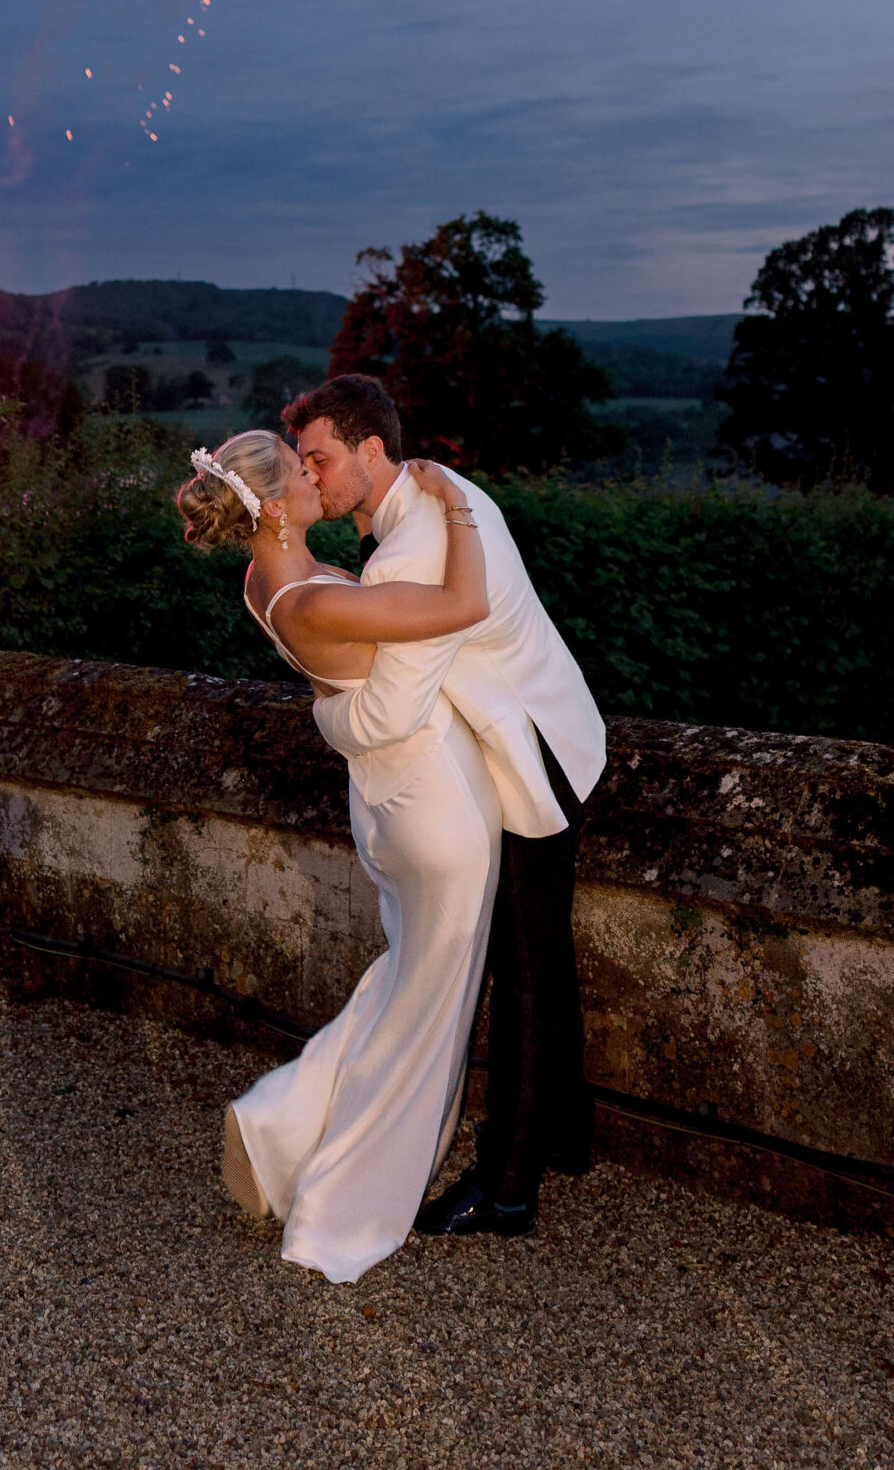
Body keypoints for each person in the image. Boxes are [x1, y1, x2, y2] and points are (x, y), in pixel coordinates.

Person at [176, 428, 502, 1285]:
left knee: (408, 982)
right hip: (434, 803)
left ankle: (283, 1125)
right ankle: (334, 1194)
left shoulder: (264, 580)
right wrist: (459, 504)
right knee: (428, 1008)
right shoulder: (312, 601)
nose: (315, 476)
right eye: (299, 468)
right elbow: (467, 603)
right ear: (273, 504)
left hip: (390, 798)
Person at [284, 373, 606, 1239]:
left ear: (371, 449)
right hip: (552, 728)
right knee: (541, 954)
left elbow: (389, 713)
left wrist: (319, 707)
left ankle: (507, 1188)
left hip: (530, 760)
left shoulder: (411, 549)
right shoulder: (437, 493)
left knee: (523, 967)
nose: (308, 476)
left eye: (319, 459)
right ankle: (564, 1133)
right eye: (303, 463)